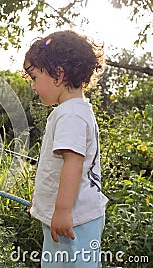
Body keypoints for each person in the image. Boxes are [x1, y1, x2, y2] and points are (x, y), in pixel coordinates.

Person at [23, 30, 108, 267]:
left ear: (58, 75)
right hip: (73, 217)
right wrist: (43, 202)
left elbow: (73, 162)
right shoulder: (75, 110)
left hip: (72, 221)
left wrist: (61, 210)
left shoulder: (70, 114)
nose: (32, 86)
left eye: (34, 77)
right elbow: (56, 169)